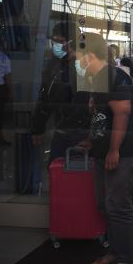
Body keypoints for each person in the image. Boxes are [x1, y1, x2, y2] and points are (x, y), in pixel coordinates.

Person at [81, 33, 133, 264]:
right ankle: (115, 249)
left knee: (118, 203)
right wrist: (92, 140)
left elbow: (121, 114)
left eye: (79, 55)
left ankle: (127, 258)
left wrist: (113, 150)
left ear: (89, 55)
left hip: (126, 150)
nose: (76, 60)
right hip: (105, 149)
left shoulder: (112, 76)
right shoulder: (97, 77)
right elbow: (101, 116)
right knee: (104, 203)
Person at [32, 22, 89, 164]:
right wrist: (38, 126)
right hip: (62, 130)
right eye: (54, 40)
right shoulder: (54, 65)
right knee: (55, 168)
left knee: (77, 173)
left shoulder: (87, 66)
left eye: (60, 41)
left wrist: (93, 137)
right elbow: (45, 95)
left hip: (83, 133)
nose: (56, 44)